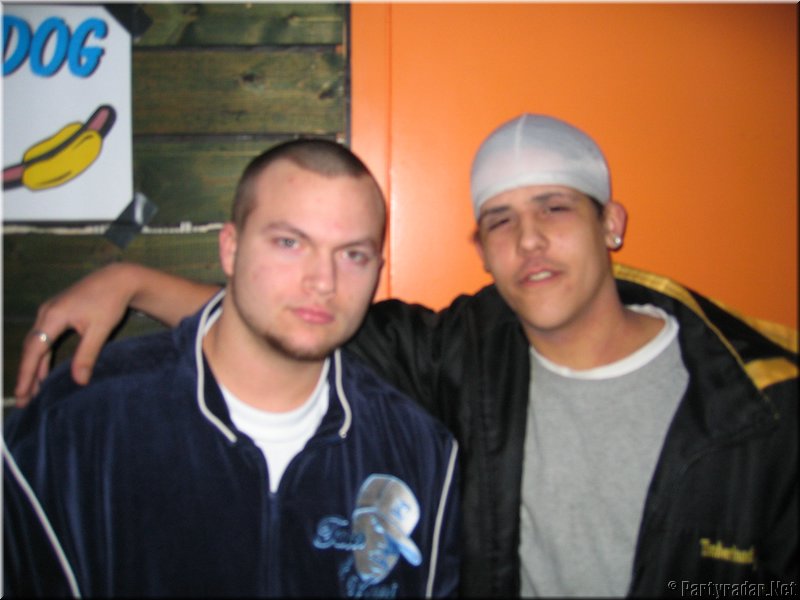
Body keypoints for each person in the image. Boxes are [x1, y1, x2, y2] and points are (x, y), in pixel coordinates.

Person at [12, 114, 798, 597]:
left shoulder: (758, 402)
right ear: (481, 248)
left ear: (611, 223)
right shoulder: (463, 358)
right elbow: (299, 320)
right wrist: (132, 280)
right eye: (500, 220)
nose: (528, 240)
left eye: (555, 207)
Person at [3, 139, 461, 598]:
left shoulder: (421, 451)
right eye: (289, 243)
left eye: (352, 255)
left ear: (377, 270)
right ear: (230, 248)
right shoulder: (74, 425)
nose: (323, 282)